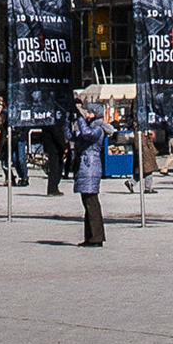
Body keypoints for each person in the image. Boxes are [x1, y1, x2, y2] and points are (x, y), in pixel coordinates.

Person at [72, 104, 108, 246]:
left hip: (90, 166)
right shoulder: (89, 127)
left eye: (89, 113)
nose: (87, 115)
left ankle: (97, 237)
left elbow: (87, 134)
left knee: (92, 202)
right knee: (87, 203)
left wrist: (80, 118)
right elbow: (73, 137)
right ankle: (90, 236)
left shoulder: (98, 128)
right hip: (85, 166)